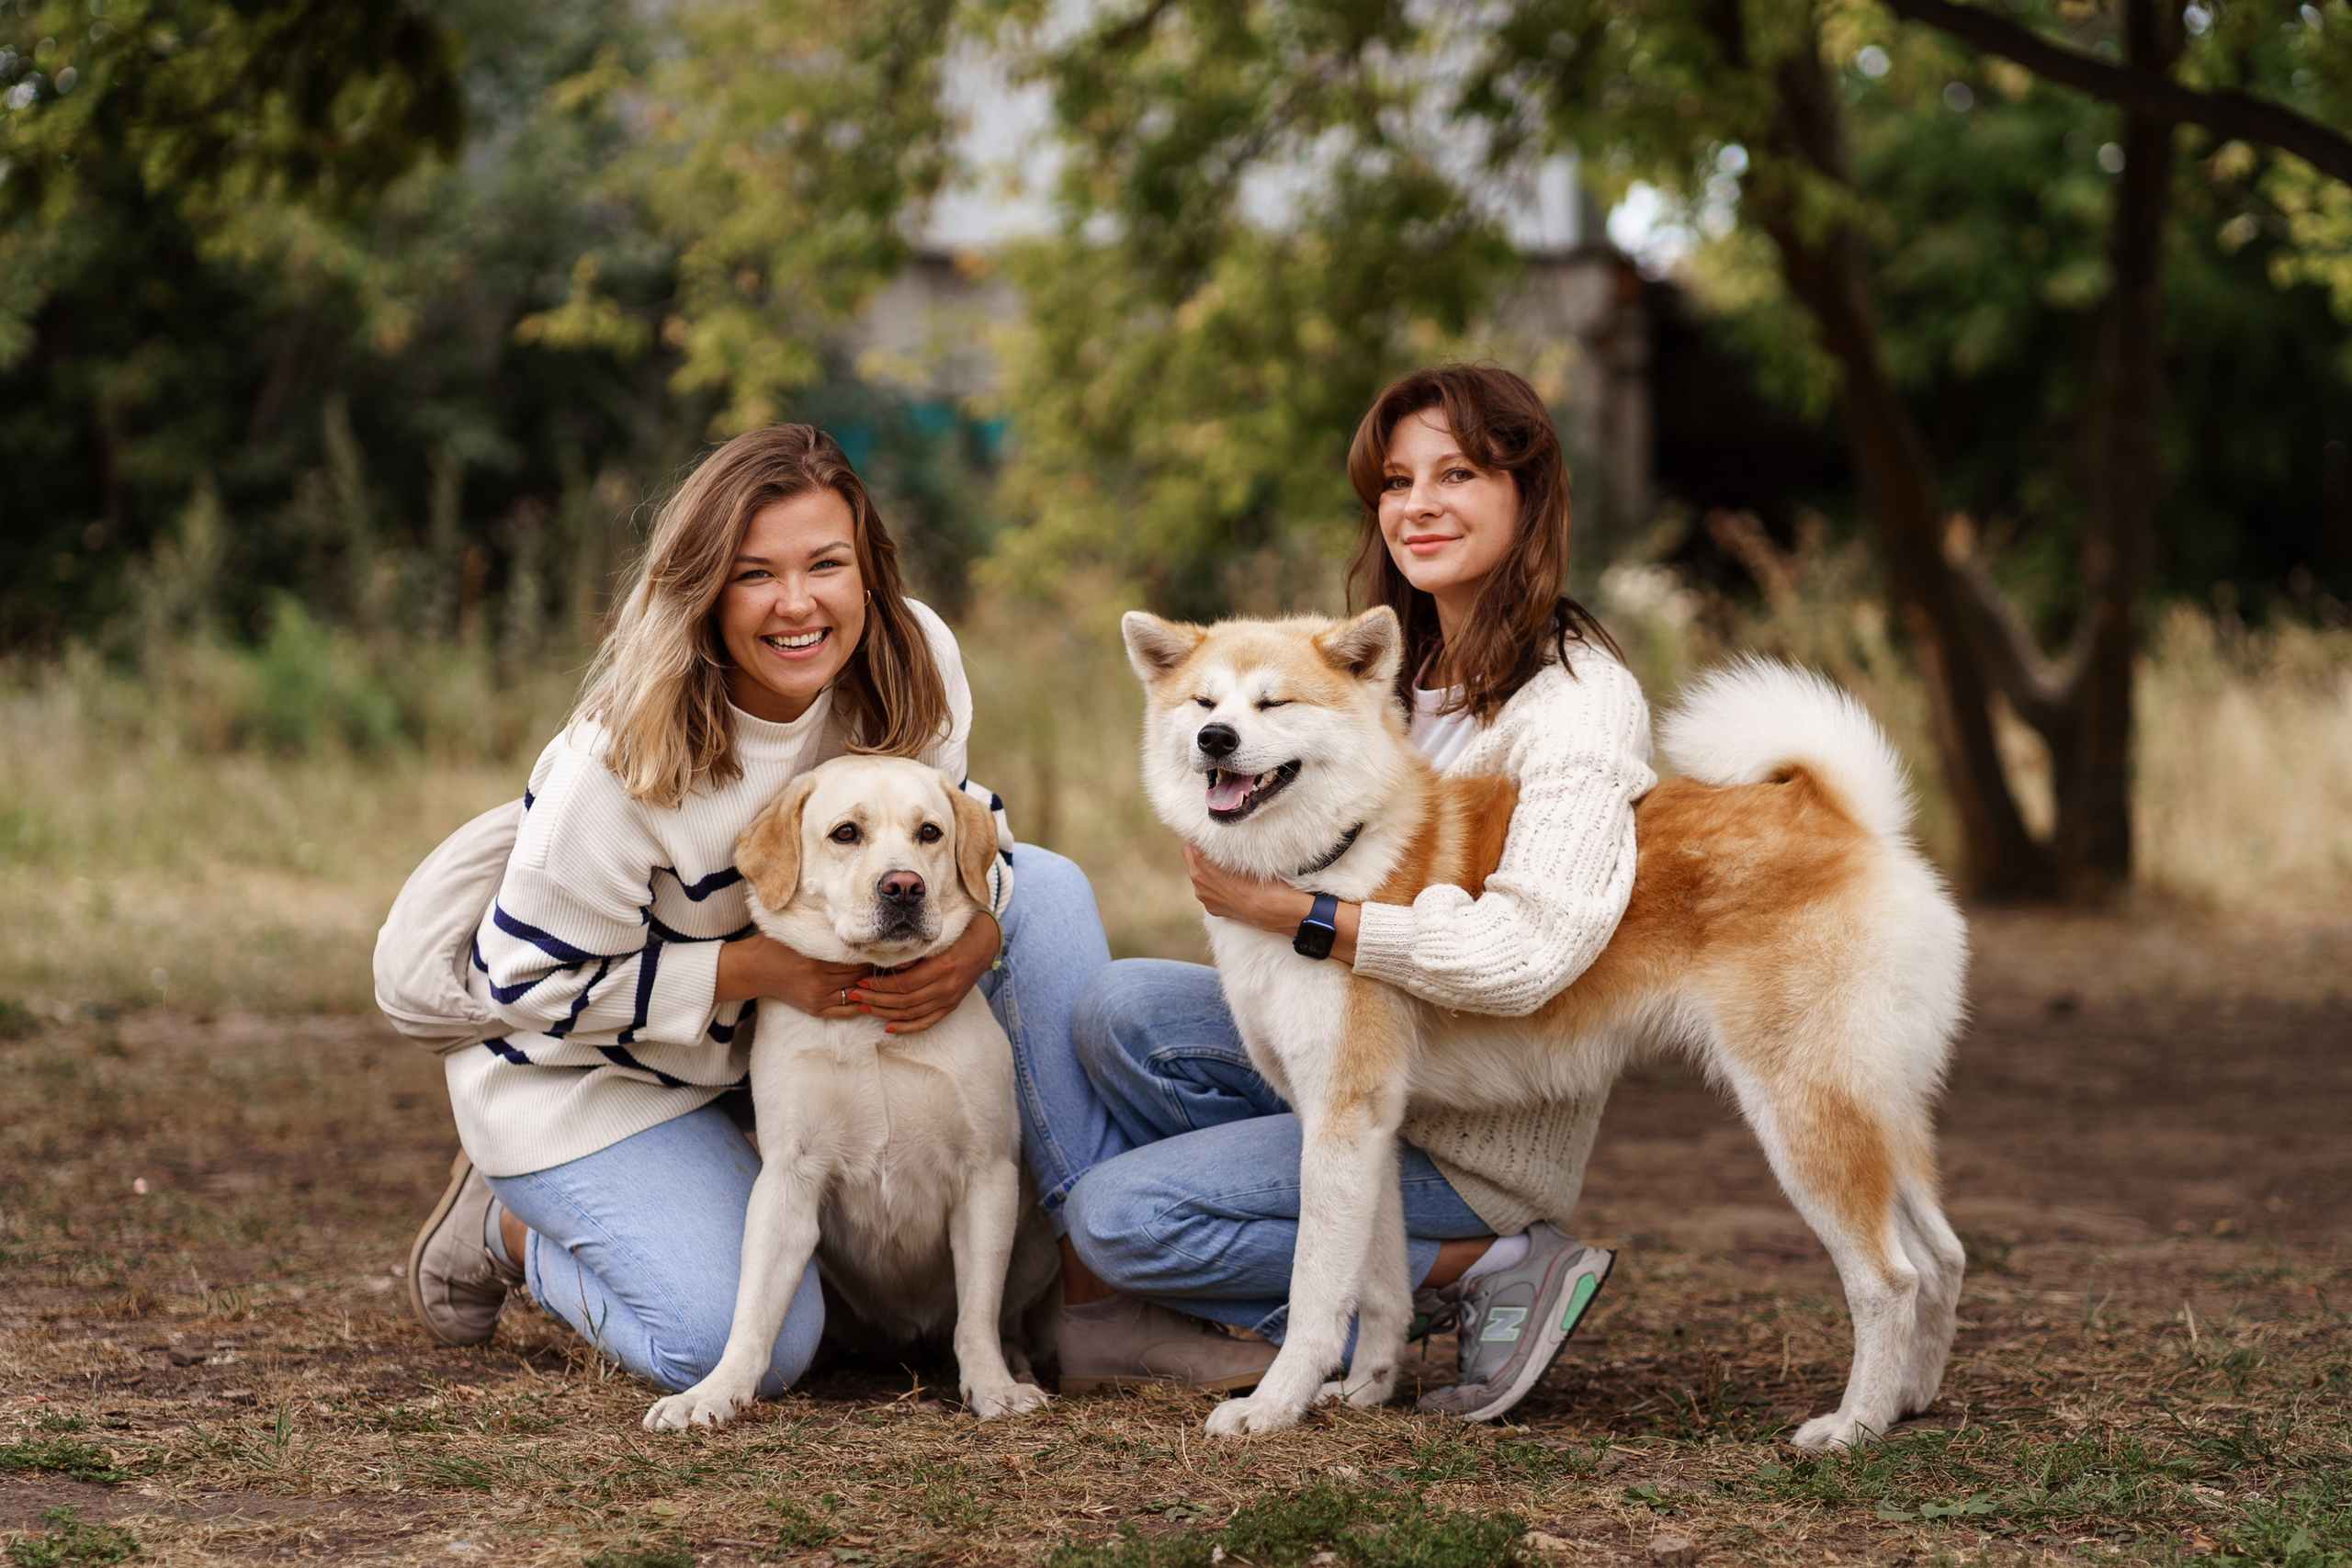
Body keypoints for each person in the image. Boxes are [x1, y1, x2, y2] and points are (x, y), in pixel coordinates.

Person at [403, 425, 1271, 1395]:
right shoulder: (617, 763)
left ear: (869, 572)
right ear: (701, 589)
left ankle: (1094, 1303)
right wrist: (751, 971)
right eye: (754, 574)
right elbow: (518, 985)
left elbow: (955, 837)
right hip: (582, 1077)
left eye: (826, 565)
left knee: (1051, 889)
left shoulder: (913, 653)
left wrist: (979, 927)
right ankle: (513, 1227)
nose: (797, 604)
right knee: (740, 1352)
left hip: (749, 1054)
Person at [1017, 365, 1654, 1421]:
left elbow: (1535, 953)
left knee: (1118, 1222)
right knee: (1118, 1010)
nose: (1419, 503)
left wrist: (1306, 916)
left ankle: (1485, 1258)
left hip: (1477, 1124)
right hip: (1358, 1054)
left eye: (1458, 473)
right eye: (1395, 481)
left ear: (1529, 495)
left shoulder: (1577, 702)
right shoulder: (1371, 665)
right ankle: (1268, 1283)